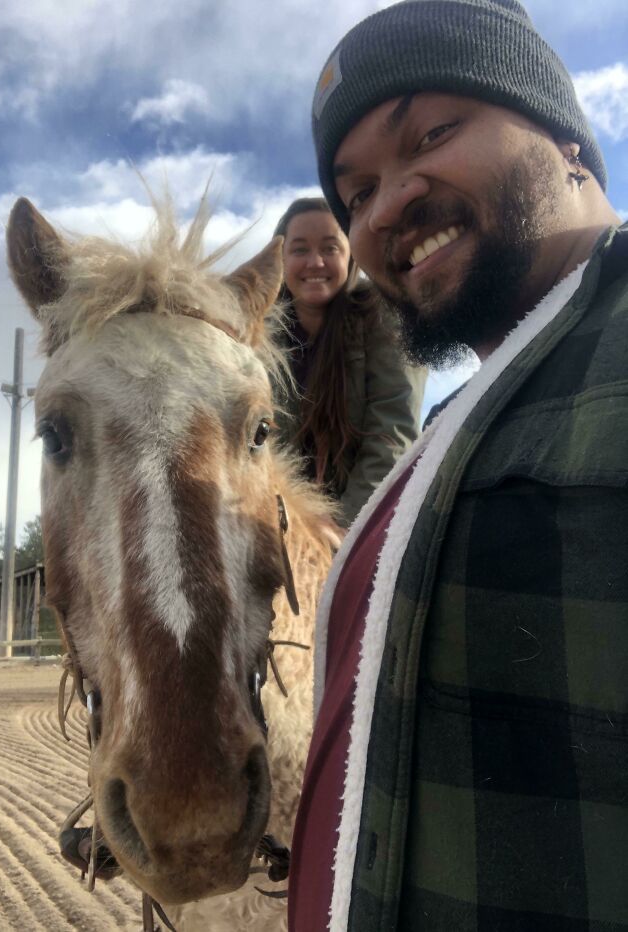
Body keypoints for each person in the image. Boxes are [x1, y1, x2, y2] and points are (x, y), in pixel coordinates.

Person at [288, 1, 628, 930]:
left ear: (563, 131)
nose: (389, 202)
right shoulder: (466, 424)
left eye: (433, 132)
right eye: (356, 193)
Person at [272, 197, 426, 527]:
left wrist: (340, 527)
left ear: (351, 255)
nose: (315, 262)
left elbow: (393, 433)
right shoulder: (260, 336)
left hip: (360, 519)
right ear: (280, 260)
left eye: (330, 248)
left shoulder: (384, 316)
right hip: (277, 522)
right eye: (299, 250)